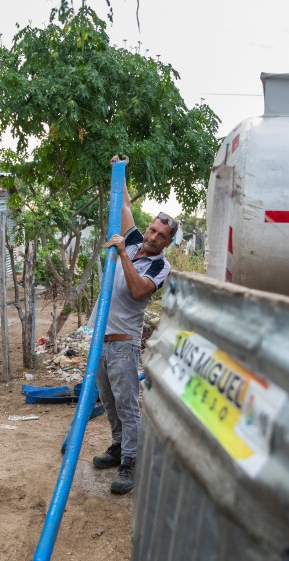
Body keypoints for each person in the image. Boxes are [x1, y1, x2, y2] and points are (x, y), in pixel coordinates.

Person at [92, 154, 176, 494]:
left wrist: (124, 253)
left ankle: (131, 463)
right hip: (101, 339)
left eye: (160, 235)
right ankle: (117, 448)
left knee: (128, 406)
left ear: (168, 242)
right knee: (108, 401)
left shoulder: (160, 266)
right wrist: (120, 169)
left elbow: (140, 291)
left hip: (124, 343)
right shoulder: (134, 237)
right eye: (153, 229)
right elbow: (123, 203)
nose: (153, 237)